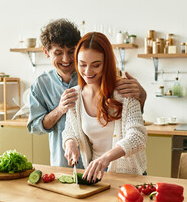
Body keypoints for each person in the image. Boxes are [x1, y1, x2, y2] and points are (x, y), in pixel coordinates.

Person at [27, 18, 146, 168]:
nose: (66, 59)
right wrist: (60, 111)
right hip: (65, 165)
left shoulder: (110, 83)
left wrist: (141, 96)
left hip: (115, 171)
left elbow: (135, 128)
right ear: (46, 52)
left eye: (71, 52)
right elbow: (41, 127)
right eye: (58, 53)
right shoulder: (44, 85)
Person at [62, 32, 147, 182]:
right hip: (96, 176)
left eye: (96, 65)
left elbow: (137, 136)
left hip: (129, 176)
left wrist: (105, 158)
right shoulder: (75, 96)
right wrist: (70, 143)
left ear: (106, 63)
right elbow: (70, 130)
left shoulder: (124, 91)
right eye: (82, 65)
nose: (87, 72)